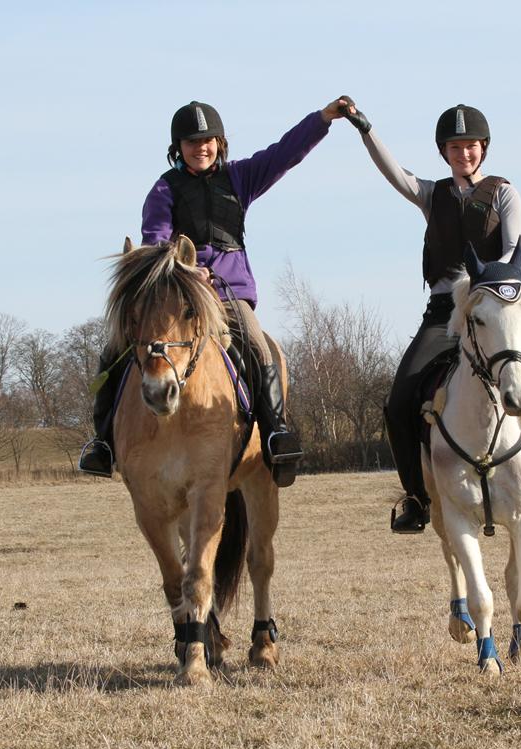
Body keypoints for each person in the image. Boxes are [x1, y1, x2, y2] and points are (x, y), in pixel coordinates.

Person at [342, 101, 521, 533]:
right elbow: (395, 174)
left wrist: (486, 295)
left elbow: (510, 256)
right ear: (444, 152)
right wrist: (366, 130)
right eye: (456, 147)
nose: (464, 154)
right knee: (399, 400)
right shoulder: (432, 195)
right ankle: (415, 498)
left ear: (484, 148)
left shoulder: (504, 193)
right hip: (445, 315)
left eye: (472, 146)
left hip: (495, 310)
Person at [79, 97, 356, 486]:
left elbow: (283, 154)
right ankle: (102, 442)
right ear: (179, 148)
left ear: (220, 143)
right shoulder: (164, 189)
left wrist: (323, 119)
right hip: (181, 296)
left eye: (208, 140)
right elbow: (155, 244)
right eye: (192, 142)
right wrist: (188, 272)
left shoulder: (240, 178)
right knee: (115, 349)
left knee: (258, 346)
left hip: (230, 294)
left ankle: (276, 430)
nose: (201, 148)